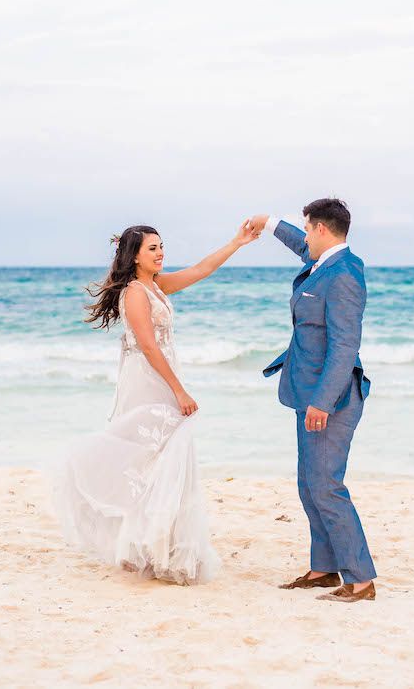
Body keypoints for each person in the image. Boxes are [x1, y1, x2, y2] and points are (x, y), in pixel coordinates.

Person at [52, 220, 259, 585]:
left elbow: (201, 269)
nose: (161, 252)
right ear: (134, 256)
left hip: (161, 374)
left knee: (164, 460)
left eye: (161, 246)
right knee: (148, 457)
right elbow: (148, 346)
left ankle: (155, 548)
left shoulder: (157, 285)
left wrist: (237, 242)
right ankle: (143, 547)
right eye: (152, 248)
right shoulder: (135, 292)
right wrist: (179, 390)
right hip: (148, 379)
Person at [249, 199, 377, 603]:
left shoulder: (343, 275)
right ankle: (324, 569)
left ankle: (360, 580)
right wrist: (269, 223)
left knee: (326, 486)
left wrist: (322, 401)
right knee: (310, 484)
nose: (304, 237)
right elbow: (298, 246)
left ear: (322, 229)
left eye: (308, 230)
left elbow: (344, 345)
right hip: (307, 390)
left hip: (331, 399)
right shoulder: (326, 261)